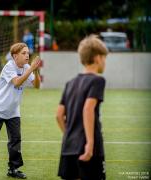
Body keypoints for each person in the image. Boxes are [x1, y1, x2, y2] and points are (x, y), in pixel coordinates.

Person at [56, 35, 108, 180]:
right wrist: (90, 144)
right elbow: (88, 109)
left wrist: (70, 136)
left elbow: (59, 115)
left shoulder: (70, 83)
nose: (105, 62)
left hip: (69, 147)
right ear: (98, 58)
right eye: (104, 58)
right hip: (89, 148)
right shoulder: (98, 80)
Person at [0, 42, 41, 179]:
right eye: (23, 53)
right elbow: (17, 82)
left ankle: (13, 169)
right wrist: (31, 70)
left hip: (13, 111)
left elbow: (36, 86)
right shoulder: (9, 67)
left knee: (15, 140)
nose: (27, 56)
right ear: (15, 56)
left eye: (28, 53)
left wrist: (36, 70)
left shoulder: (27, 67)